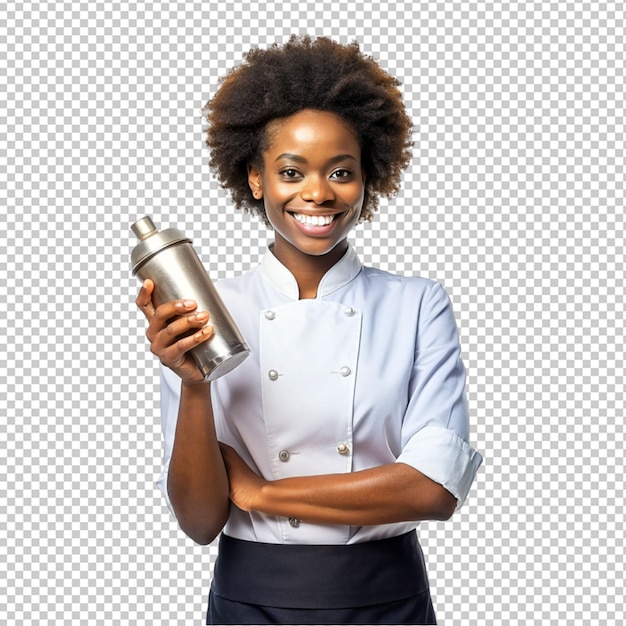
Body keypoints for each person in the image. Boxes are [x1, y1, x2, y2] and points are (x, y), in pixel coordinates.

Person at [136, 35, 483, 625]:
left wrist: (262, 494)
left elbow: (433, 489)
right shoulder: (208, 314)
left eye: (341, 172)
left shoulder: (416, 304)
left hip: (386, 598)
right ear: (254, 178)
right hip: (250, 599)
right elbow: (199, 522)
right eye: (291, 171)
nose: (318, 193)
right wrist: (193, 386)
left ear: (367, 178)